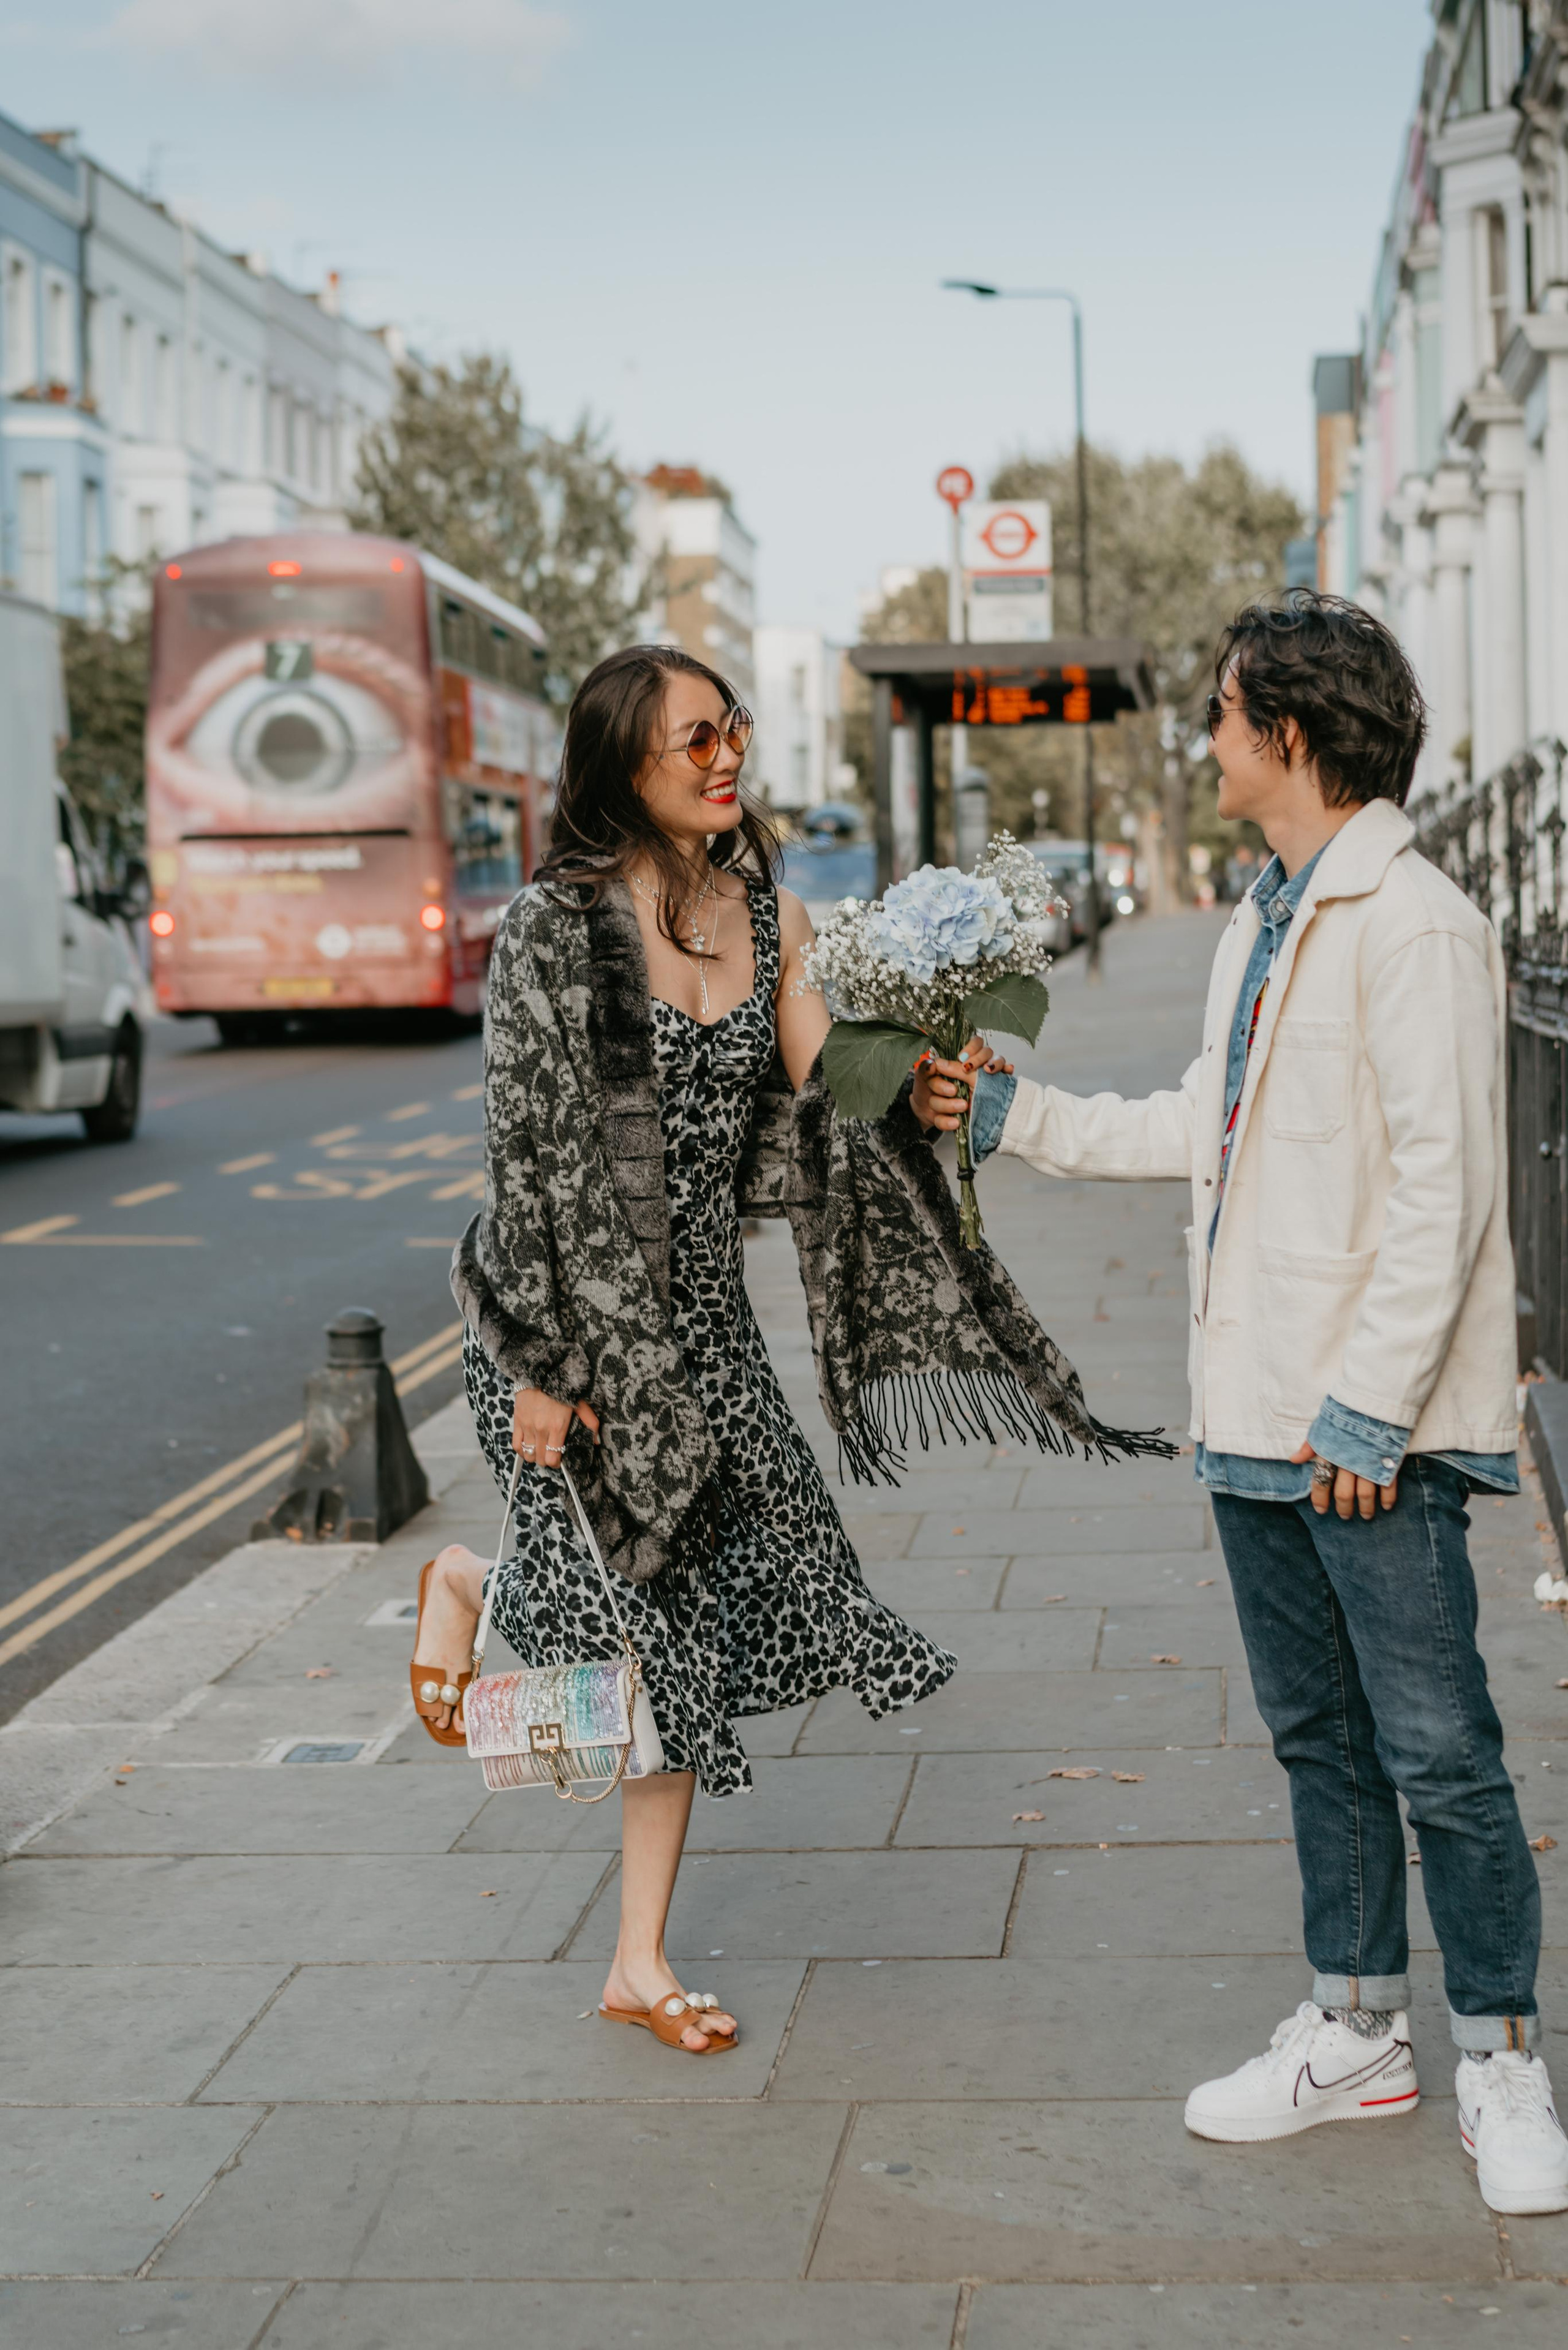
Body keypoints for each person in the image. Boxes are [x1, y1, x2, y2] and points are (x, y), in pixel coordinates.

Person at [914, 590, 1568, 2215]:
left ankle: (1500, 2051)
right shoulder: (1263, 921)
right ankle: (1356, 2028)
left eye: (1220, 714)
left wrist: (1365, 1410)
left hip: (1366, 1433)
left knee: (1441, 1747)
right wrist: (1022, 1115)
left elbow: (1449, 1189)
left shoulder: (1412, 922)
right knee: (1319, 1738)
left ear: (1292, 731)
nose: (1203, 740)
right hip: (1255, 1412)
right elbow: (1209, 1131)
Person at [410, 644, 976, 2057]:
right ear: (622, 767)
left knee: (682, 1628)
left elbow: (820, 1085)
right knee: (647, 1633)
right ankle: (642, 1957)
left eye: (731, 730)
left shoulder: (758, 909)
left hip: (703, 1332)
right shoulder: (552, 927)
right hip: (565, 1327)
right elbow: (530, 1155)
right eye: (692, 741)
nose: (725, 757)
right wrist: (545, 1363)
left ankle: (485, 1604)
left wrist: (921, 1083)